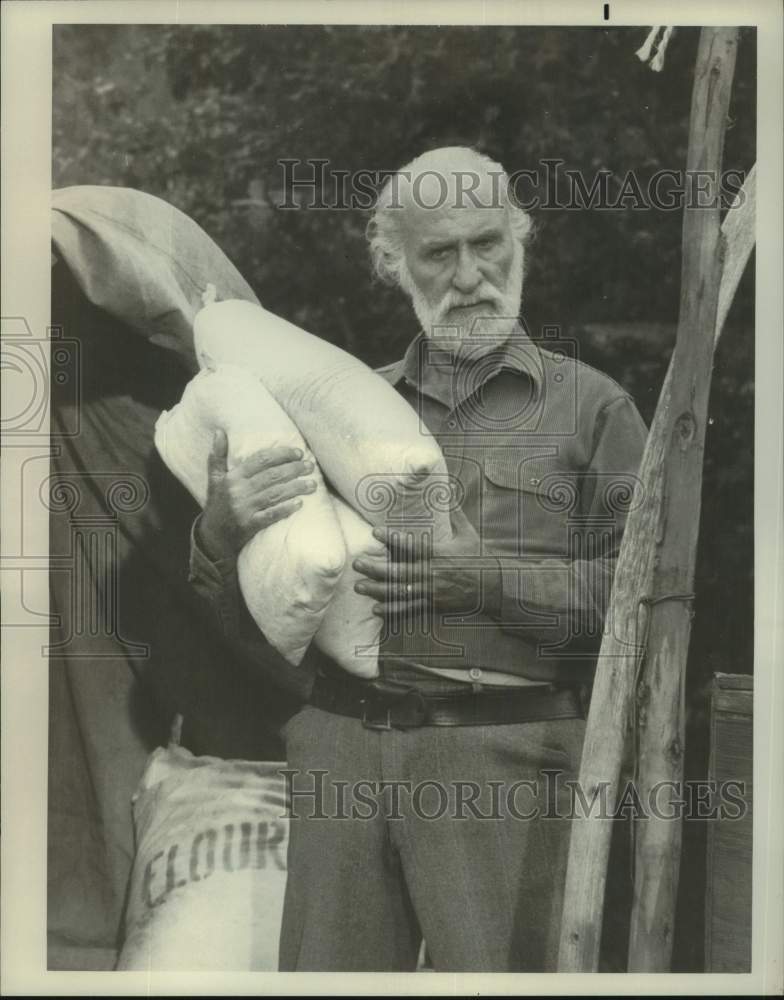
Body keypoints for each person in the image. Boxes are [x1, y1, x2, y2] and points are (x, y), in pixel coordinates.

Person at [189, 146, 648, 971]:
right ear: (392, 262)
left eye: (489, 243)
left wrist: (479, 581)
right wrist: (224, 529)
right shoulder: (333, 407)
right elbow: (245, 619)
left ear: (521, 239)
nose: (470, 274)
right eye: (440, 252)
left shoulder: (593, 408)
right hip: (343, 757)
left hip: (506, 762)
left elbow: (640, 609)